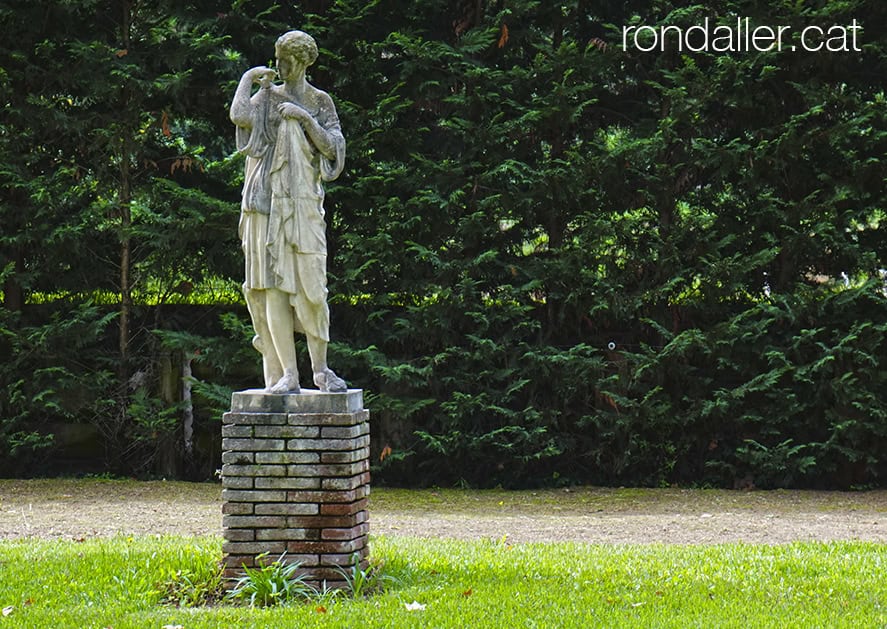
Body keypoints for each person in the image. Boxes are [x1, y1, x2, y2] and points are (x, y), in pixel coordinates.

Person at [229, 30, 347, 394]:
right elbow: (239, 115)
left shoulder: (319, 100)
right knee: (270, 289)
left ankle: (322, 370)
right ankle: (288, 375)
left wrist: (304, 119)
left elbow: (333, 147)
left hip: (301, 205)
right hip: (264, 201)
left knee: (312, 284)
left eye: (285, 60)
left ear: (302, 62)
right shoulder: (267, 96)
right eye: (276, 58)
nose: (279, 66)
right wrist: (249, 78)